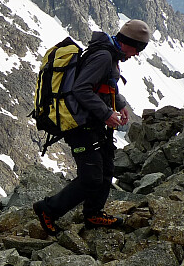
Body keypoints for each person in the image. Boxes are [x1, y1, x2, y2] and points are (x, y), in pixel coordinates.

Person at [32, 19, 151, 234]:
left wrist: (120, 104)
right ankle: (48, 209)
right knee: (91, 177)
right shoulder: (104, 56)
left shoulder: (110, 54)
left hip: (92, 123)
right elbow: (81, 89)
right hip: (80, 125)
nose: (138, 54)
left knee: (106, 169)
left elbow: (105, 85)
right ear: (128, 42)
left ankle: (94, 213)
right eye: (138, 48)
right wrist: (106, 113)